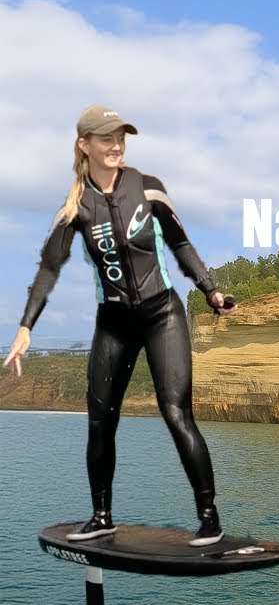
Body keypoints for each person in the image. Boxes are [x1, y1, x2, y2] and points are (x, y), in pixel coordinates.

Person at [3, 105, 237, 547]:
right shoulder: (75, 206)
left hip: (161, 313)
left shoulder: (148, 189)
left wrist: (211, 290)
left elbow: (180, 244)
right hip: (114, 320)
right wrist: (25, 327)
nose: (116, 146)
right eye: (107, 138)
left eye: (121, 138)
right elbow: (49, 269)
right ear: (84, 144)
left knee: (175, 412)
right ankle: (102, 515)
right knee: (100, 422)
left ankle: (209, 519)